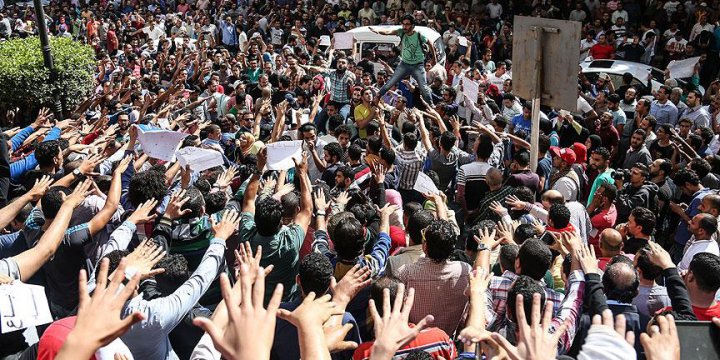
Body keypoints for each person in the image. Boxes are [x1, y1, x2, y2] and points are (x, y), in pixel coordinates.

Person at [371, 15, 437, 104]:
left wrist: (434, 59)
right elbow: (388, 32)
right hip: (404, 64)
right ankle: (378, 96)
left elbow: (430, 43)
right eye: (403, 24)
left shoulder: (418, 35)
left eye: (407, 24)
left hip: (417, 65)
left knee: (423, 87)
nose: (405, 26)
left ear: (412, 25)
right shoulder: (401, 32)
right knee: (390, 82)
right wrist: (378, 31)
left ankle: (431, 106)